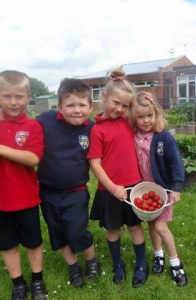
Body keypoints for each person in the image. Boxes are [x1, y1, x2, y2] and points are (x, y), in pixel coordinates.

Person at [37, 79, 101, 288]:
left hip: (76, 191)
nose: (76, 110)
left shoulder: (92, 129)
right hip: (47, 191)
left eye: (82, 105)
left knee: (77, 231)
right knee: (57, 232)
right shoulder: (44, 121)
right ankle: (73, 266)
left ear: (90, 107)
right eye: (70, 105)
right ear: (60, 105)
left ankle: (92, 260)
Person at [87, 67, 148, 288]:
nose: (120, 109)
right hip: (110, 190)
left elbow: (148, 117)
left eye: (125, 105)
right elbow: (95, 165)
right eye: (116, 103)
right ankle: (118, 264)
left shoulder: (128, 121)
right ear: (104, 97)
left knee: (134, 227)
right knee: (112, 229)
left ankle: (142, 263)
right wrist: (113, 188)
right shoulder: (97, 131)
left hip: (134, 187)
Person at [129, 91, 188, 287]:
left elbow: (176, 163)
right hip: (145, 191)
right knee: (152, 225)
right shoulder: (135, 136)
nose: (146, 121)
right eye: (140, 116)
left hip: (164, 190)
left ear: (156, 114)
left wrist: (177, 188)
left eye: (150, 115)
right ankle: (158, 255)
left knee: (161, 227)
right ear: (134, 118)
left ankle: (175, 262)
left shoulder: (163, 137)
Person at [0, 70, 47, 300]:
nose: (12, 102)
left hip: (26, 198)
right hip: (1, 201)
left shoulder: (33, 127)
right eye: (6, 96)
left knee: (33, 242)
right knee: (7, 244)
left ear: (29, 97)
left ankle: (38, 280)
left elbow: (33, 158)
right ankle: (18, 283)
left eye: (18, 96)